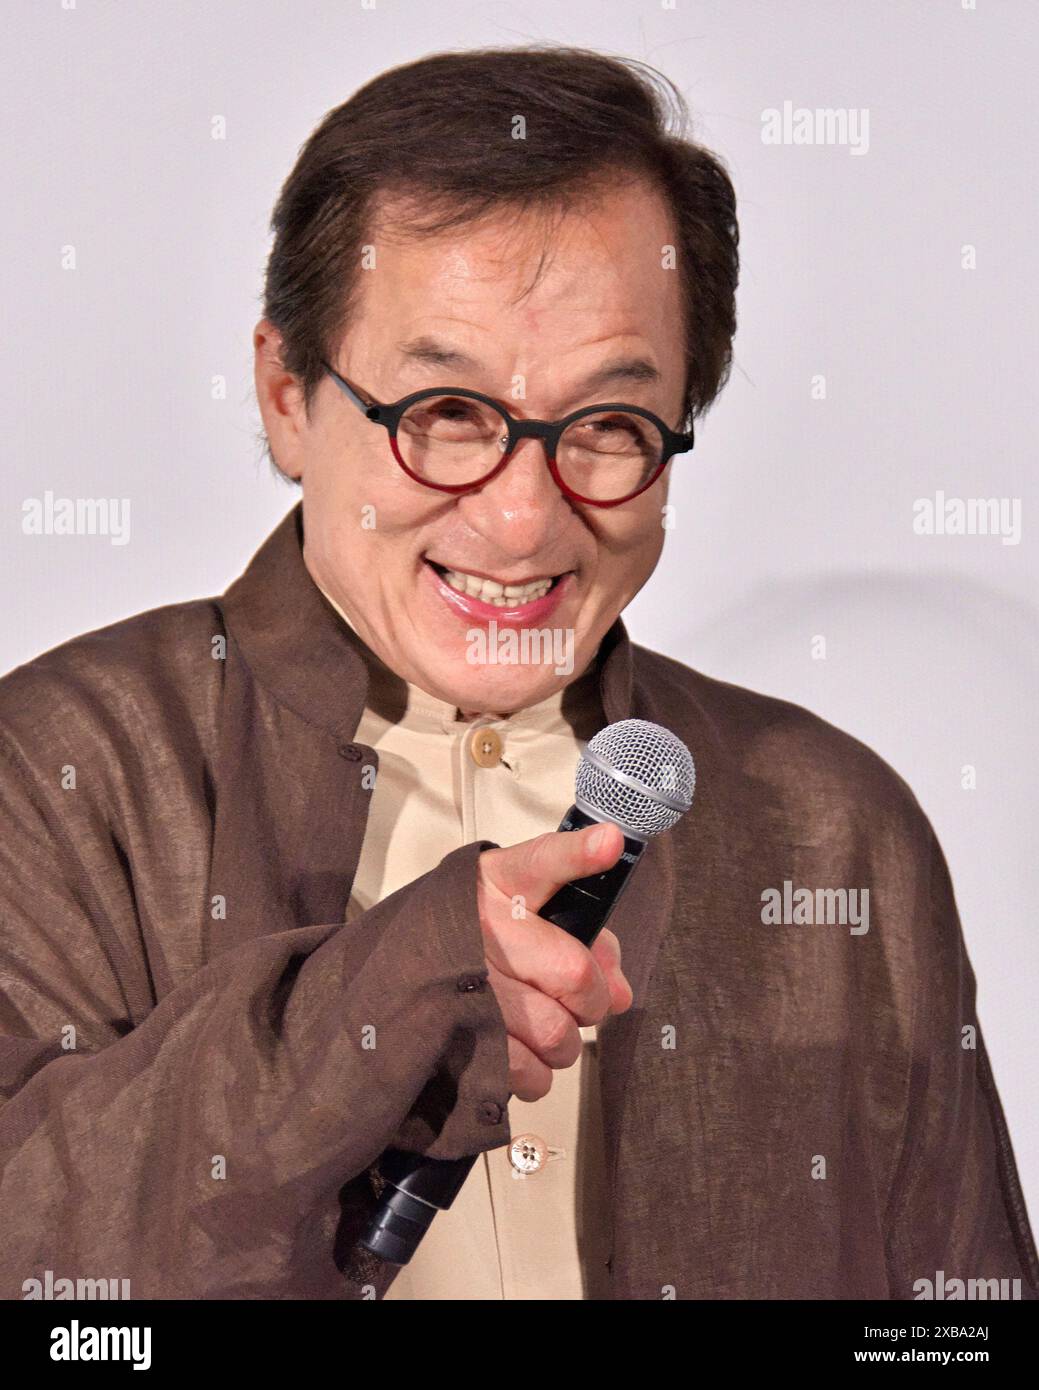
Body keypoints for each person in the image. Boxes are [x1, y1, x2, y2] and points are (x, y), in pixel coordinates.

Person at [1, 46, 1035, 1302]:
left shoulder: (831, 825)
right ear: (286, 394)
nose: (520, 523)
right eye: (444, 410)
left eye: (607, 427)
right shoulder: (61, 771)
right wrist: (389, 988)